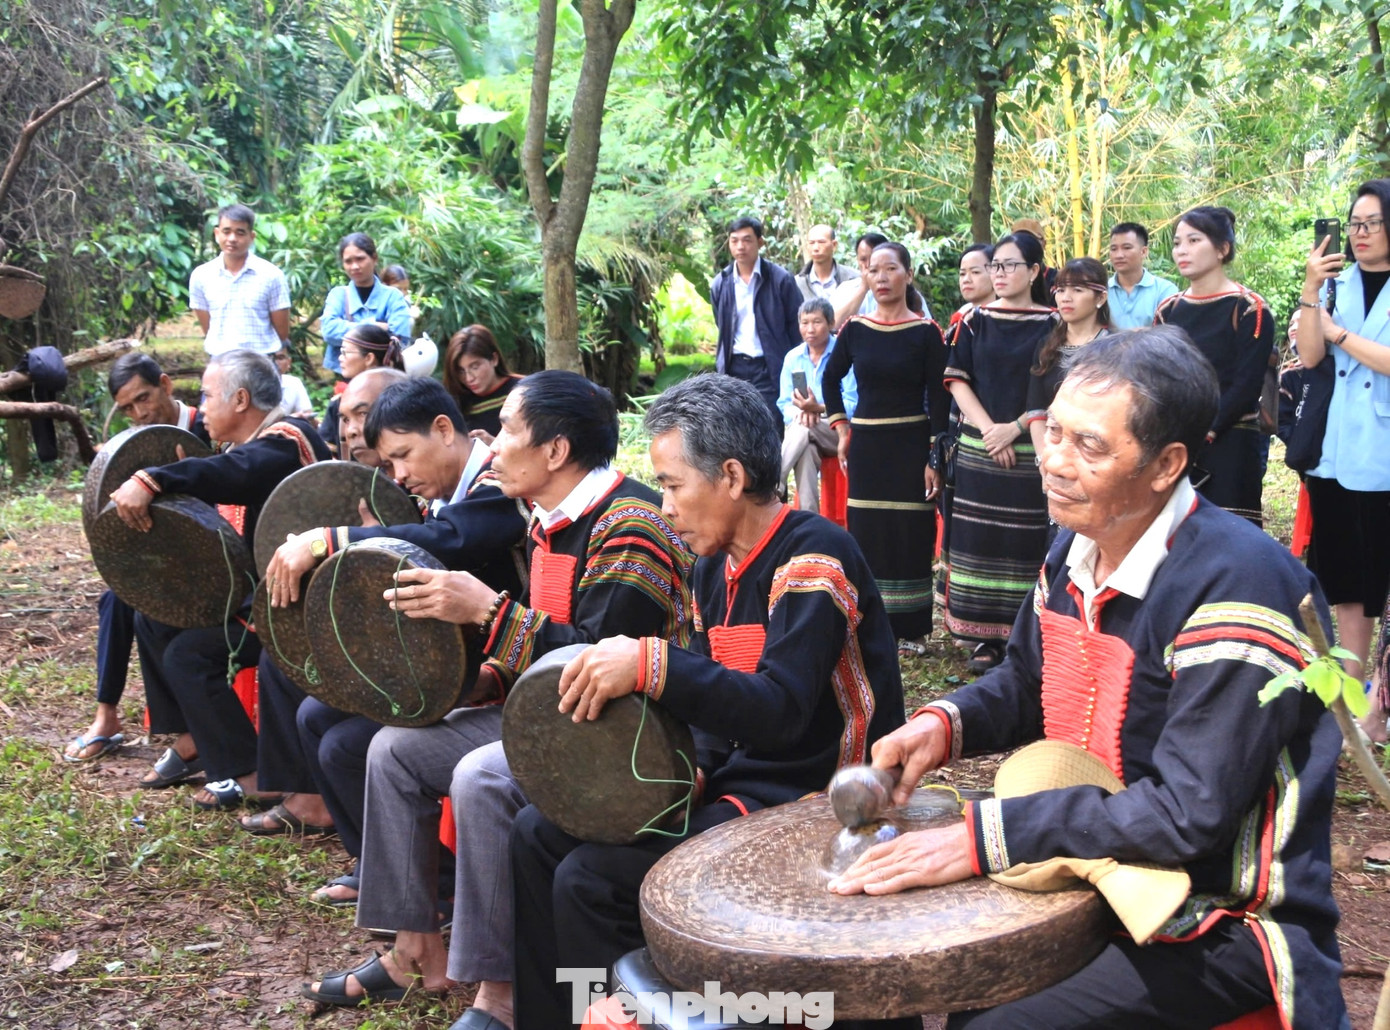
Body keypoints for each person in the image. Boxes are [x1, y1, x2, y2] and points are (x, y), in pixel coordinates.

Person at [829, 327, 1348, 1030]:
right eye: (1054, 433)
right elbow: (1025, 681)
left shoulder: (1237, 589)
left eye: (1090, 447)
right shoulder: (1077, 545)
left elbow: (1185, 816)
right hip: (1102, 874)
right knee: (905, 964)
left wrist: (985, 835)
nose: (1054, 462)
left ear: (1167, 464)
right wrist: (941, 724)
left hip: (1223, 917)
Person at [507, 373, 909, 1029]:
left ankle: (641, 1016)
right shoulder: (709, 567)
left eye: (671, 485)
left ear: (729, 476)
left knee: (590, 880)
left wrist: (653, 663)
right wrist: (692, 769)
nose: (663, 504)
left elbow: (779, 711)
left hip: (817, 796)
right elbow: (719, 710)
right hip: (742, 786)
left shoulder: (814, 555)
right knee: (536, 834)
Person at [299, 370, 693, 1012]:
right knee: (393, 749)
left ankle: (500, 992)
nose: (493, 442)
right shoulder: (547, 520)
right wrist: (483, 679)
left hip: (623, 733)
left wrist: (487, 612)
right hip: (555, 712)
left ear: (555, 452)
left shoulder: (631, 525)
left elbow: (599, 664)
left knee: (482, 776)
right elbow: (546, 656)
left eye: (508, 429)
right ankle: (413, 948)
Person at [251, 377, 528, 910]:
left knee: (345, 744)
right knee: (316, 715)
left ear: (444, 430)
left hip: (503, 668)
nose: (399, 475)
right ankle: (379, 865)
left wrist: (330, 540)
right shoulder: (440, 491)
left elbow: (457, 540)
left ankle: (434, 888)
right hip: (452, 661)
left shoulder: (499, 481)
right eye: (388, 465)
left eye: (403, 455)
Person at [107, 350, 330, 808]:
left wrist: (154, 478)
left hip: (298, 610)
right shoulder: (253, 447)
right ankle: (194, 739)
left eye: (208, 395)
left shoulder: (290, 439)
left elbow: (236, 472)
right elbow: (226, 483)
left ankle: (250, 773)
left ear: (242, 399)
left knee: (190, 656)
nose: (202, 406)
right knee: (155, 618)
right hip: (259, 596)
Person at [62, 353, 210, 762]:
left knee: (143, 604)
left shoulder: (207, 425)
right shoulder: (133, 445)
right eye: (127, 408)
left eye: (143, 398)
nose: (139, 412)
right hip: (161, 555)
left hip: (212, 560)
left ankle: (191, 728)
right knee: (115, 596)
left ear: (165, 384)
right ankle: (106, 717)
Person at [1298, 177, 1390, 743]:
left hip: (1383, 451)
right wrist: (1312, 289)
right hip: (1336, 452)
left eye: (1373, 223)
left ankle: (1383, 693)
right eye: (1354, 223)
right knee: (1349, 584)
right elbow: (1310, 354)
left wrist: (1341, 335)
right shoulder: (1336, 284)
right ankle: (1357, 699)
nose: (1359, 234)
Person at [940, 232, 1058, 672]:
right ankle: (982, 640)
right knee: (981, 540)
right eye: (996, 266)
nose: (1000, 274)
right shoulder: (974, 320)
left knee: (1025, 541)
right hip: (980, 444)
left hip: (1034, 446)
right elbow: (956, 378)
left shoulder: (1053, 323)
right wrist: (991, 430)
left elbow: (1054, 385)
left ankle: (1024, 635)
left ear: (1034, 272)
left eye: (1010, 266)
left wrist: (1016, 429)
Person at [823, 242, 949, 651]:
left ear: (908, 275)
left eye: (890, 269)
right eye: (873, 270)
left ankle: (911, 628)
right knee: (868, 530)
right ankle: (868, 623)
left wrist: (934, 456)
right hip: (868, 446)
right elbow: (830, 378)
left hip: (911, 444)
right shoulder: (855, 329)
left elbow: (939, 398)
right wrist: (842, 428)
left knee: (910, 531)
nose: (881, 278)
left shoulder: (927, 333)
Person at [1156, 206, 1273, 526]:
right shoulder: (1168, 310)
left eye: (1194, 240)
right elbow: (1158, 377)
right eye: (1178, 242)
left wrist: (1205, 430)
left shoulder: (1250, 308)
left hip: (1230, 438)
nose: (1182, 250)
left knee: (1230, 532)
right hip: (1175, 438)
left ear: (1223, 249)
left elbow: (1246, 385)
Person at [710, 216, 804, 426]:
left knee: (771, 425)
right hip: (734, 366)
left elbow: (797, 328)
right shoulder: (721, 283)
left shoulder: (780, 280)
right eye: (734, 241)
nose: (740, 246)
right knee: (737, 426)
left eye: (747, 240)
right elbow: (722, 324)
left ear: (760, 242)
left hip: (770, 366)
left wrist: (797, 374)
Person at [776, 296, 858, 513]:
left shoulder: (844, 354)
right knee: (806, 450)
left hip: (839, 431)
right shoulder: (793, 358)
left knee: (805, 428)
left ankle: (775, 479)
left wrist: (819, 409)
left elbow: (853, 404)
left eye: (816, 322)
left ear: (831, 324)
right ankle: (809, 516)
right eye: (804, 323)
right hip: (803, 427)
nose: (810, 329)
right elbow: (784, 402)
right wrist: (800, 413)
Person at [1025, 256, 1113, 443]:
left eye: (1077, 290)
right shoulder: (1046, 345)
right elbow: (1037, 410)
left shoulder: (1115, 348)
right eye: (1061, 290)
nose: (1066, 298)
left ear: (1101, 297)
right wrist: (1044, 459)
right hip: (1052, 449)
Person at [188, 203, 290, 356]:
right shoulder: (201, 276)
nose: (232, 238)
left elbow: (281, 331)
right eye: (226, 231)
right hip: (220, 362)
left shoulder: (271, 276)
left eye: (240, 233)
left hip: (261, 362)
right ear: (217, 234)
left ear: (252, 237)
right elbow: (208, 327)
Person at [319, 232, 413, 376]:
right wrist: (374, 326)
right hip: (346, 378)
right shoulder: (338, 295)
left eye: (360, 259)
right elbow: (329, 331)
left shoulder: (393, 296)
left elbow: (399, 339)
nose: (354, 266)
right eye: (348, 261)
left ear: (374, 258)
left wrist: (347, 332)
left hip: (385, 377)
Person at [320, 323, 406, 458]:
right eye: (346, 419)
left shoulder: (399, 399)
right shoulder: (339, 403)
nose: (340, 358)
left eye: (344, 352)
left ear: (369, 358)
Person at [441, 324, 523, 442]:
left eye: (475, 367)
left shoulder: (524, 390)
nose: (469, 378)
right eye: (461, 371)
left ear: (494, 359)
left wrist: (494, 443)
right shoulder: (456, 400)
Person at [1106, 221, 1179, 328]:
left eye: (1127, 248)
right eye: (1113, 249)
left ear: (1144, 252)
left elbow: (1171, 334)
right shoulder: (1101, 292)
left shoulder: (1165, 291)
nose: (1119, 255)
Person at [831, 231, 890, 327]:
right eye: (863, 259)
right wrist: (863, 288)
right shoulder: (845, 289)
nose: (868, 265)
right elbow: (833, 325)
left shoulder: (901, 289)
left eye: (872, 259)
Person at [794, 223, 860, 301]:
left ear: (834, 245)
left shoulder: (853, 278)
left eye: (821, 242)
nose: (816, 248)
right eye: (811, 243)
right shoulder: (797, 283)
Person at [950, 243, 995, 328]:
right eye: (962, 274)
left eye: (975, 272)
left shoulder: (1008, 318)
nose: (966, 280)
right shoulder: (960, 318)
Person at [272, 347, 314, 421]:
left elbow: (307, 416)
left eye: (280, 358)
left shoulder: (293, 383)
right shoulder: (250, 386)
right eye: (268, 357)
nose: (274, 363)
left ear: (289, 362)